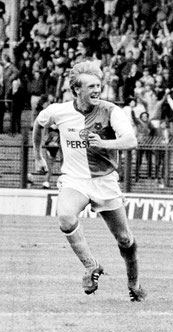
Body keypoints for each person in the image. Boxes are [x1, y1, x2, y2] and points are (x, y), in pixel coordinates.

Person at [31, 61, 146, 302]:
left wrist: (104, 143)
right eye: (91, 86)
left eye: (98, 85)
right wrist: (38, 156)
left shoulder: (112, 111)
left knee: (124, 238)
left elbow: (130, 140)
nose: (96, 90)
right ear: (76, 90)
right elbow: (39, 125)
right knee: (65, 216)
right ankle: (91, 266)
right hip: (75, 180)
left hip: (104, 181)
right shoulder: (58, 111)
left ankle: (134, 284)